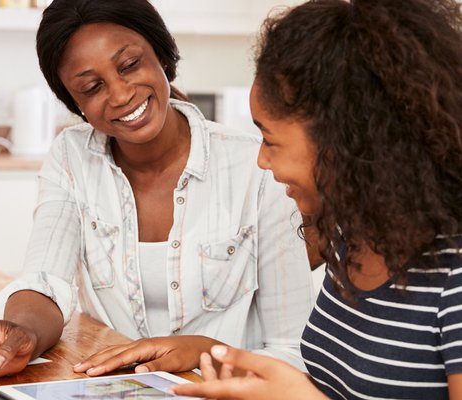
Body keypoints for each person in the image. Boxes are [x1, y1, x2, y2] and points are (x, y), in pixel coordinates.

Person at [0, 0, 314, 395]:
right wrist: (22, 333)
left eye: (129, 65)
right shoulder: (71, 156)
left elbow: (292, 351)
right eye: (92, 87)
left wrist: (206, 352)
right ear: (77, 104)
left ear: (162, 55)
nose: (121, 94)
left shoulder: (255, 166)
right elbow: (46, 281)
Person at [172, 0, 462, 399]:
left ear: (345, 139)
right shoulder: (352, 238)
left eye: (270, 140)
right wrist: (214, 354)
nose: (261, 159)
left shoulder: (453, 279)